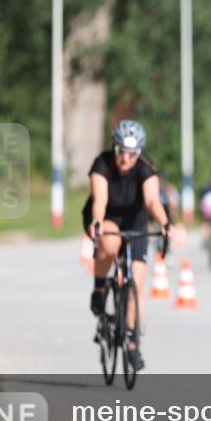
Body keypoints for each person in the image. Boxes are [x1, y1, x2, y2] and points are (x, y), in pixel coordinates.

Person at [82, 119, 171, 371]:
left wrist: (164, 223)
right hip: (107, 216)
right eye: (121, 151)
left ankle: (131, 338)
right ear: (115, 148)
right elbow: (99, 199)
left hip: (136, 221)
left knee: (137, 279)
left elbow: (152, 201)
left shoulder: (145, 169)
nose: (125, 159)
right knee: (110, 244)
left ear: (139, 153)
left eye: (131, 154)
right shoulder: (102, 164)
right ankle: (99, 288)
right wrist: (97, 222)